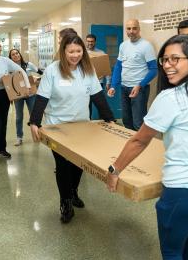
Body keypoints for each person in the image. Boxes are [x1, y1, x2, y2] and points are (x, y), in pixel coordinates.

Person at [106, 34, 188, 259]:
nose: (167, 65)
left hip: (187, 191)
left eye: (176, 59)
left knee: (173, 250)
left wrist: (114, 171)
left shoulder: (170, 98)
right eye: (164, 60)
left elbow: (139, 140)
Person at [29, 34, 115, 224]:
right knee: (63, 165)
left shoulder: (88, 69)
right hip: (56, 126)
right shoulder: (52, 70)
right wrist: (34, 122)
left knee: (78, 163)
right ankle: (65, 202)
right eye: (71, 51)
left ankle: (73, 192)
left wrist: (109, 119)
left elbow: (98, 96)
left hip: (82, 125)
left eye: (78, 51)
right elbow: (42, 97)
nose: (75, 55)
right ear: (63, 51)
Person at [107, 19, 157, 131]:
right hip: (124, 88)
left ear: (139, 29)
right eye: (129, 28)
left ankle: (143, 146)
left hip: (139, 90)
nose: (131, 31)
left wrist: (140, 85)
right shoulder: (123, 46)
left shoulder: (146, 46)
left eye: (134, 28)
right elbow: (118, 66)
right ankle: (131, 145)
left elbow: (154, 69)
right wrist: (114, 85)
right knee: (126, 121)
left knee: (138, 123)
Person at [8, 48, 43, 146]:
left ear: (20, 54)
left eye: (17, 53)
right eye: (13, 55)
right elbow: (8, 82)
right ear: (10, 58)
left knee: (34, 116)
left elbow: (41, 73)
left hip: (31, 94)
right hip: (18, 96)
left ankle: (37, 134)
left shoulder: (28, 65)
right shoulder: (10, 68)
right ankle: (19, 137)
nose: (16, 55)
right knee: (19, 117)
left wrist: (36, 80)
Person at [86, 33, 111, 119]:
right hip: (85, 83)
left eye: (92, 41)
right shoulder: (83, 53)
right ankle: (87, 123)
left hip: (98, 83)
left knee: (101, 106)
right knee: (86, 106)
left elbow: (106, 68)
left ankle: (104, 123)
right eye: (88, 41)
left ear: (95, 42)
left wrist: (108, 82)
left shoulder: (101, 53)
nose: (90, 43)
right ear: (86, 41)